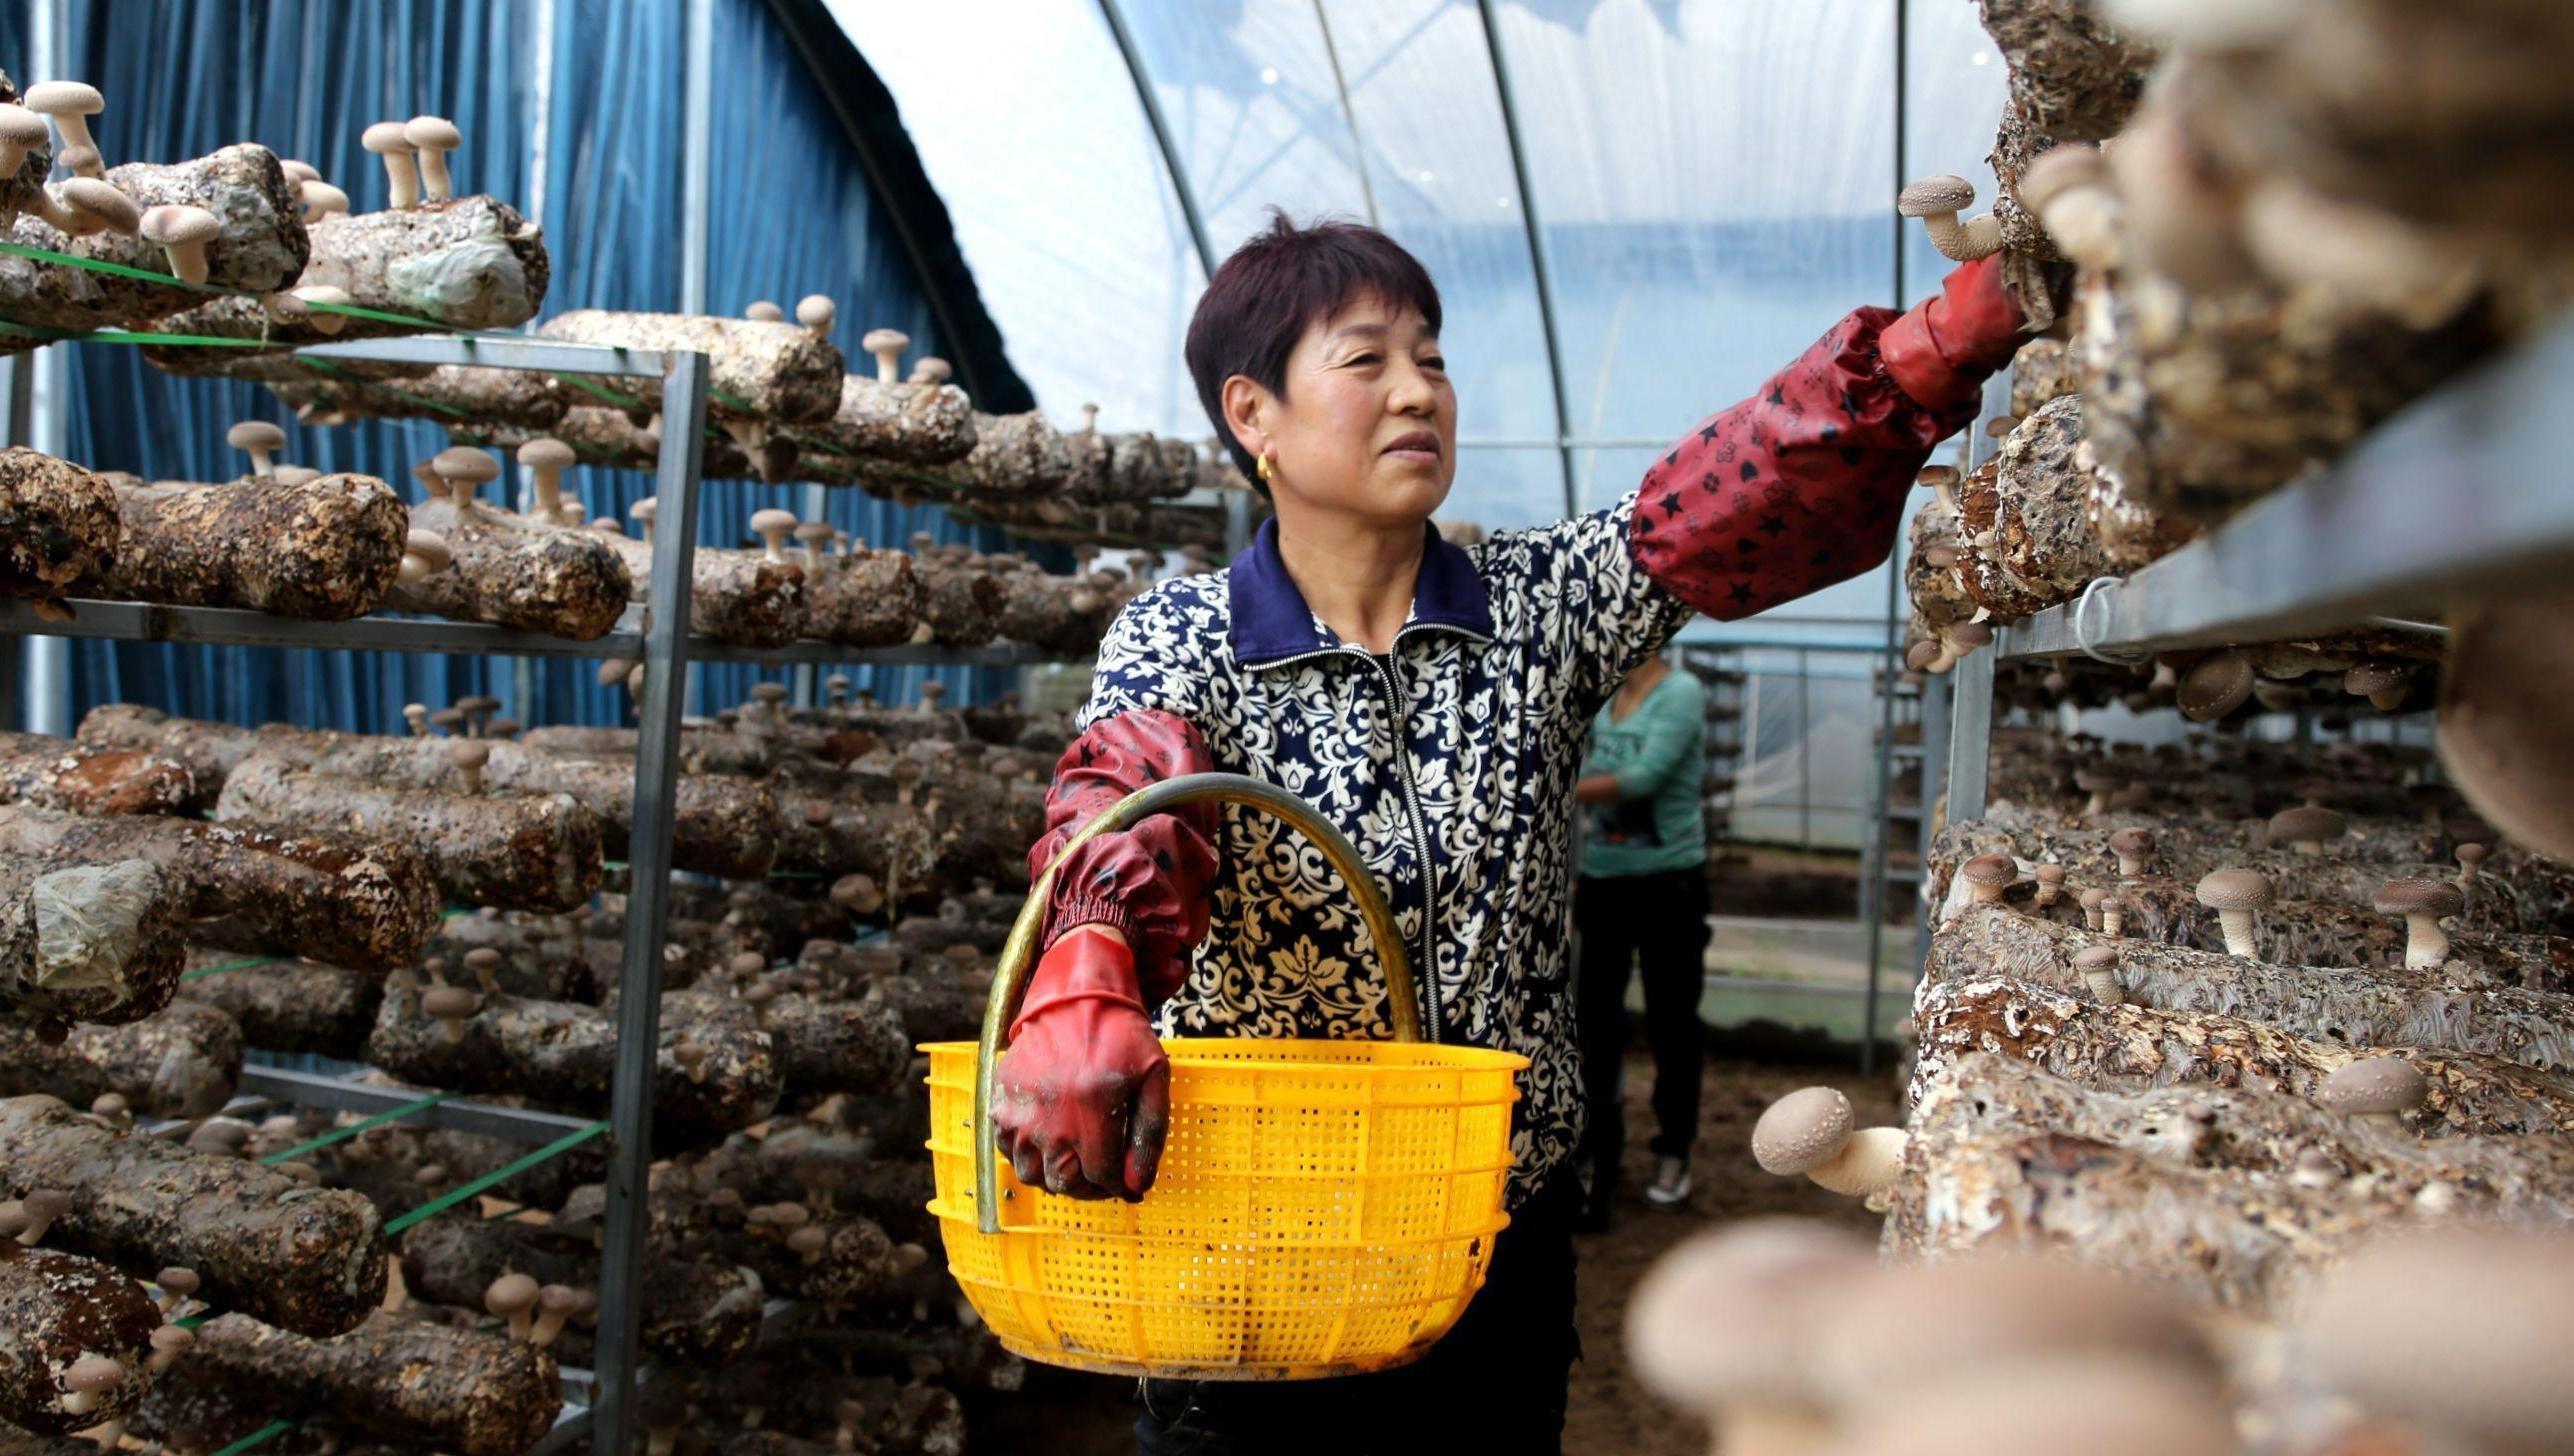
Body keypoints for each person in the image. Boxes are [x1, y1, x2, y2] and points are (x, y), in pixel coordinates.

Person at [990, 210, 2038, 1455]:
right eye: (1364, 359)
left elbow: (1735, 491)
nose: (1416, 391)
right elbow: (1130, 790)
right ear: (1252, 415)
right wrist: (1087, 962)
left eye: (1430, 357)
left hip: (1493, 1238)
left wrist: (1934, 344)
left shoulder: (1538, 608)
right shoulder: (1188, 635)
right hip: (1260, 1237)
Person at [1571, 651, 1711, 1225]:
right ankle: (1598, 1159)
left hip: (1669, 883)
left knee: (1671, 1023)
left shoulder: (1680, 694)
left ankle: (1673, 1153)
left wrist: (1555, 789)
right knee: (1595, 1023)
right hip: (1604, 881)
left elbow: (1644, 777)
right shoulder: (1608, 693)